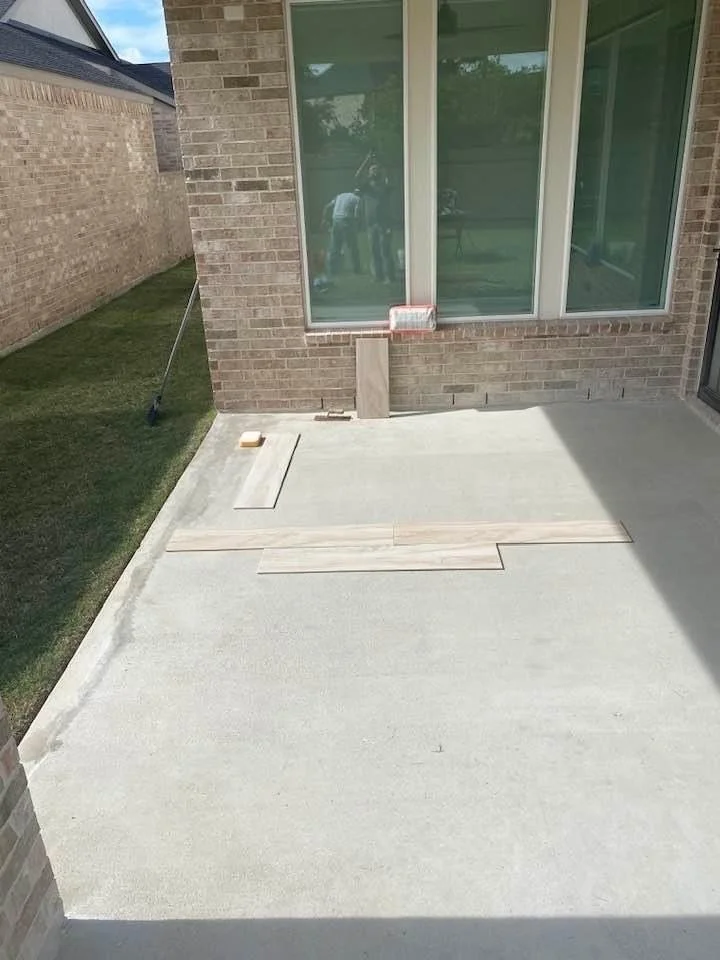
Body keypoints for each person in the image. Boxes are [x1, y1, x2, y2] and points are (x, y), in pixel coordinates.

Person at [355, 152, 395, 284]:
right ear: (369, 173)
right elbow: (357, 176)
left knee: (385, 250)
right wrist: (366, 160)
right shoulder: (367, 187)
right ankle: (378, 276)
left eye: (376, 169)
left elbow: (389, 175)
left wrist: (381, 163)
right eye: (372, 170)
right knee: (374, 251)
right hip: (370, 224)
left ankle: (389, 276)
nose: (374, 171)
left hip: (384, 223)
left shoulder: (385, 185)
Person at [323, 190, 361, 278]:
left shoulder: (340, 196)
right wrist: (357, 224)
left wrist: (324, 218)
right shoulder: (357, 198)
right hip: (346, 221)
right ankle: (357, 269)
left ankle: (332, 269)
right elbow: (356, 213)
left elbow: (327, 206)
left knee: (335, 246)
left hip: (335, 220)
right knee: (352, 246)